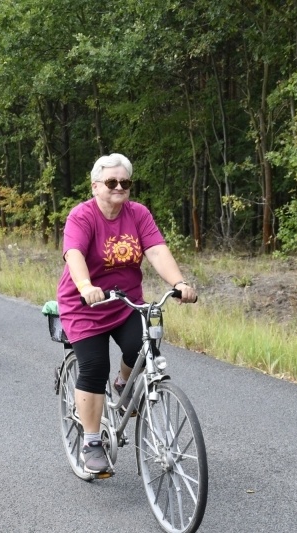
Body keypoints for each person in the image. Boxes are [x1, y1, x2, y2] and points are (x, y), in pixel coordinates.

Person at [56, 153, 197, 474]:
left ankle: (123, 383)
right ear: (95, 186)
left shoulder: (138, 214)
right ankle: (92, 442)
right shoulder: (82, 216)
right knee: (94, 366)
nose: (119, 187)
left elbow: (156, 250)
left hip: (125, 302)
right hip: (85, 304)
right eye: (111, 182)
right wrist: (86, 286)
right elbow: (74, 254)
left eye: (125, 182)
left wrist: (179, 283)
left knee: (143, 347)